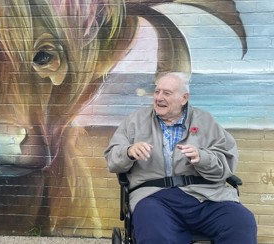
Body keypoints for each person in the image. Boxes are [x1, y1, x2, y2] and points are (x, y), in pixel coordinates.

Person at [104, 72, 257, 244]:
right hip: (154, 197)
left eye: (166, 93)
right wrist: (128, 152)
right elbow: (112, 159)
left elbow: (226, 162)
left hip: (205, 195)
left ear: (184, 98)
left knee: (241, 222)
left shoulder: (205, 121)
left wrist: (203, 158)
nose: (159, 98)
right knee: (154, 231)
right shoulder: (135, 121)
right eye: (157, 92)